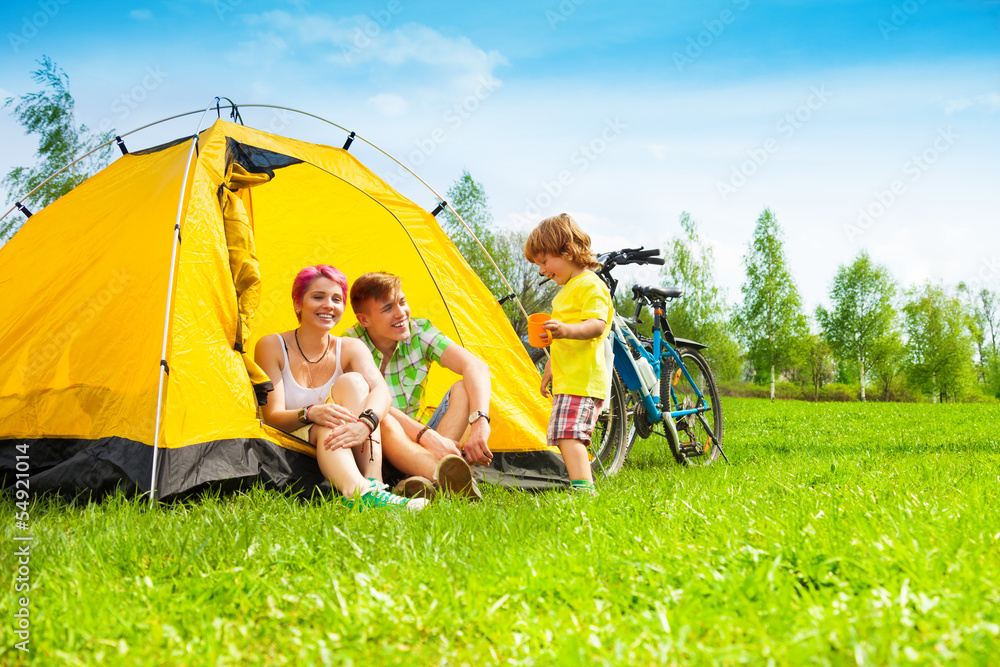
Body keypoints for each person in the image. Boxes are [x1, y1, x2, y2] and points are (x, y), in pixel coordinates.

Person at [255, 265, 427, 511]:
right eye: (318, 297)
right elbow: (272, 416)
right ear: (297, 303)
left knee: (356, 383)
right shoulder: (272, 345)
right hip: (291, 441)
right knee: (327, 425)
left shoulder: (349, 347)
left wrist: (364, 423)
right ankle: (360, 494)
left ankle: (373, 482)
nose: (329, 305)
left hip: (343, 439)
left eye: (336, 299)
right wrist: (310, 413)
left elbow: (381, 391)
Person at [343, 271, 494, 500]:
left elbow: (476, 367)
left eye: (402, 302)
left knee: (465, 387)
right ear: (364, 320)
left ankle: (418, 481)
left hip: (421, 441)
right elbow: (378, 406)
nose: (401, 313)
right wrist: (426, 435)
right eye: (388, 308)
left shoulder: (419, 331)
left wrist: (480, 420)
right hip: (377, 446)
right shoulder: (351, 345)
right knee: (381, 416)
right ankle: (443, 477)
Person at [523, 213, 612, 496]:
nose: (542, 271)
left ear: (567, 250)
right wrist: (550, 365)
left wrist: (565, 329)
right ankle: (581, 487)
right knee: (565, 436)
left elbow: (597, 325)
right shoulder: (567, 289)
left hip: (583, 379)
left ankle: (584, 491)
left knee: (569, 435)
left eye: (544, 261)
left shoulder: (590, 285)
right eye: (538, 265)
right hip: (568, 378)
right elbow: (565, 340)